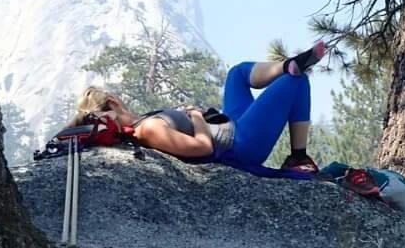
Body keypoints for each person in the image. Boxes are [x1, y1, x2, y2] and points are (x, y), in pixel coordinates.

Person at [72, 42, 327, 174]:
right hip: (239, 144)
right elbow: (203, 147)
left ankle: (286, 65)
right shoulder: (147, 129)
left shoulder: (144, 122)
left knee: (236, 74)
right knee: (295, 82)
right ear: (113, 101)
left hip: (230, 125)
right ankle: (298, 156)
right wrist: (196, 117)